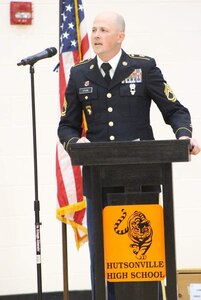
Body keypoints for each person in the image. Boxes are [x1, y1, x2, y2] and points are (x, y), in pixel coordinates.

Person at [58, 11, 200, 300]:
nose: (96, 35)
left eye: (103, 30)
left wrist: (183, 135)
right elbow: (67, 124)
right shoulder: (80, 73)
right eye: (94, 29)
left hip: (143, 176)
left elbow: (175, 110)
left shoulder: (143, 68)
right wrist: (74, 144)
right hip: (99, 179)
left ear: (120, 36)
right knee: (103, 253)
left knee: (144, 251)